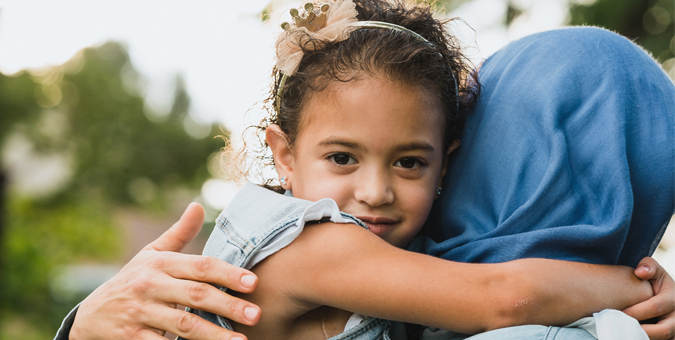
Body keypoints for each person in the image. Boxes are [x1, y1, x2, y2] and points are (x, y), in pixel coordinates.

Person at [55, 0, 675, 339]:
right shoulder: (309, 244)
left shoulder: (406, 262)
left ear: (447, 167)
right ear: (284, 153)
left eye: (408, 162)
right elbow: (505, 299)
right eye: (342, 157)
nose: (374, 191)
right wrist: (640, 292)